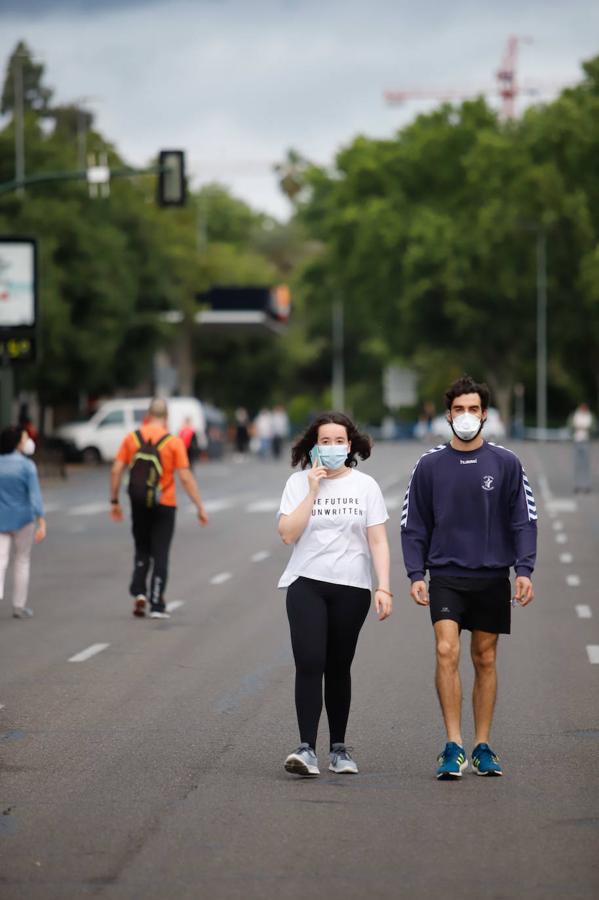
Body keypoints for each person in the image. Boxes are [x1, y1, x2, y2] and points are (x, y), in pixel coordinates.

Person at [401, 375, 537, 779]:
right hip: (445, 573)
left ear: (484, 414)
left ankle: (482, 746)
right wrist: (415, 573)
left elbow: (524, 520)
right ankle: (453, 745)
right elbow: (414, 524)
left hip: (491, 575)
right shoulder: (428, 465)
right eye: (458, 410)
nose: (465, 416)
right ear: (448, 415)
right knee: (446, 650)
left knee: (485, 657)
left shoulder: (506, 463)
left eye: (473, 409)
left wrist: (524, 569)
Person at [277, 412, 392, 777]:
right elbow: (287, 534)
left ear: (350, 445)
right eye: (323, 442)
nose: (331, 447)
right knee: (310, 662)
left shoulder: (365, 486)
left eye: (337, 441)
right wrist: (312, 489)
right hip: (306, 583)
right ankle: (306, 748)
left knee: (338, 667)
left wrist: (384, 585)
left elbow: (378, 540)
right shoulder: (297, 484)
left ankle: (339, 749)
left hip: (352, 588)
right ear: (313, 447)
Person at [110, 398, 209, 619]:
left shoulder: (131, 438)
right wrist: (199, 506)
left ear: (147, 415)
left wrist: (114, 501)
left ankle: (139, 593)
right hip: (165, 503)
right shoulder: (172, 442)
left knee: (142, 546)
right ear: (166, 418)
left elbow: (116, 470)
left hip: (138, 503)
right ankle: (156, 602)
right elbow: (185, 476)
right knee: (160, 551)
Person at [0, 425, 46, 619]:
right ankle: (19, 606)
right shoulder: (27, 466)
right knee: (22, 561)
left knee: (0, 560)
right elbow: (35, 496)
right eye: (25, 438)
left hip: (1, 518)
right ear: (18, 442)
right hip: (24, 520)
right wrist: (41, 519)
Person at [570, 402, 594, 494]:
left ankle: (586, 485)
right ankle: (577, 485)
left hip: (585, 440)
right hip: (578, 440)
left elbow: (590, 426)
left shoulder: (588, 416)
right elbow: (574, 425)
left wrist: (581, 427)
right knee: (578, 465)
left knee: (585, 465)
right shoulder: (576, 415)